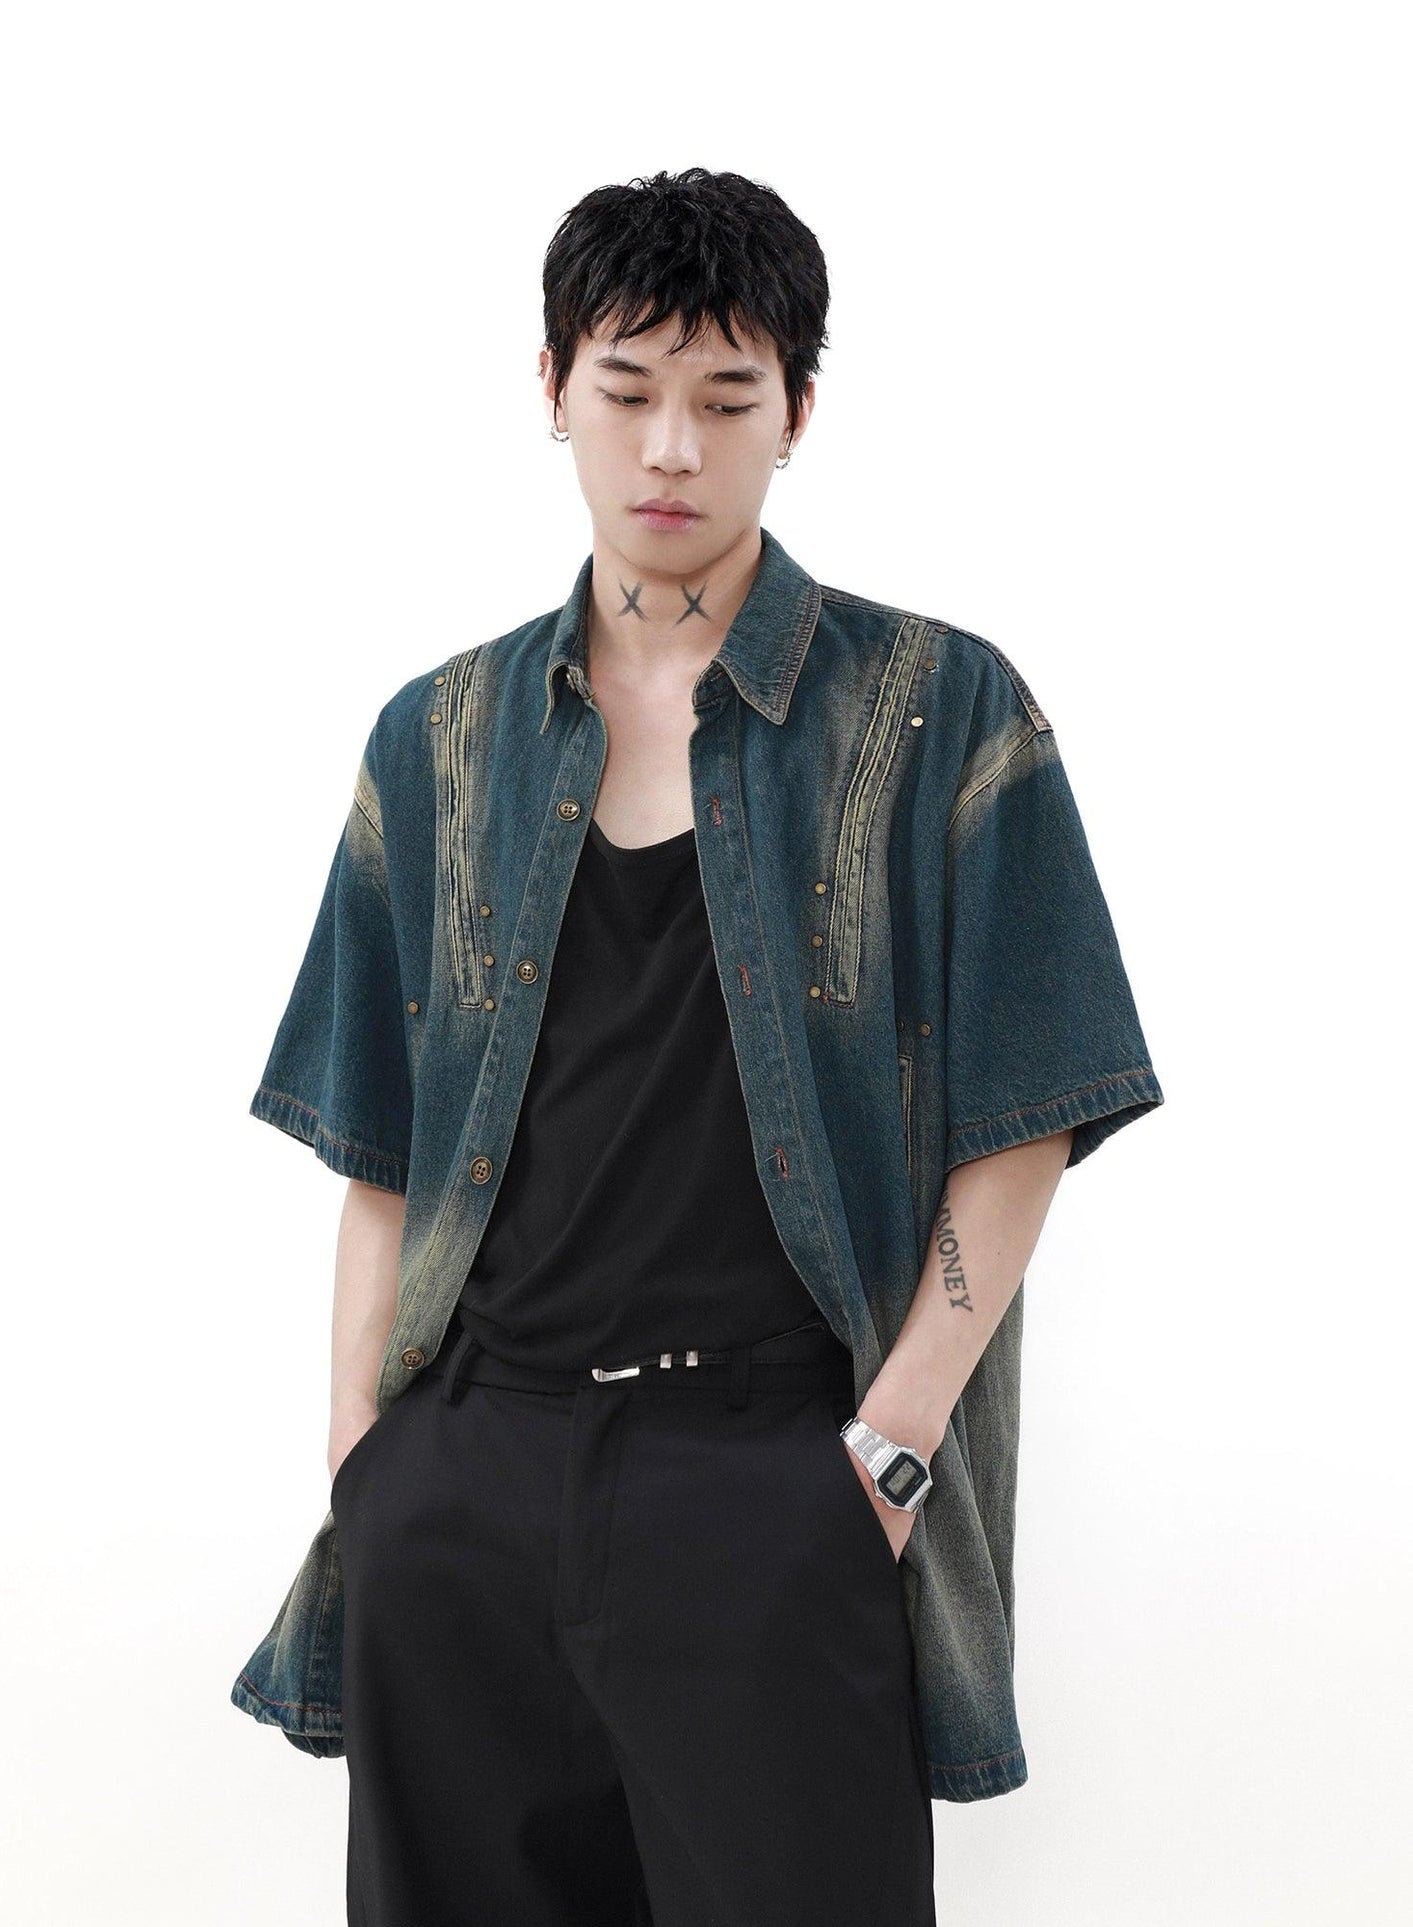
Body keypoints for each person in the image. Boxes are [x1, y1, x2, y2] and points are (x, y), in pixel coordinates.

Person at [230, 167, 1165, 1926]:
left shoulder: (935, 708)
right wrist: (368, 1458)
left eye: (728, 399)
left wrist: (887, 1449)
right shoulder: (440, 737)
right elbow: (379, 1145)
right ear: (551, 389)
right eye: (627, 388)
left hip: (772, 1486)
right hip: (468, 1482)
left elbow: (1025, 1116)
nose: (671, 447)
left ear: (798, 411)